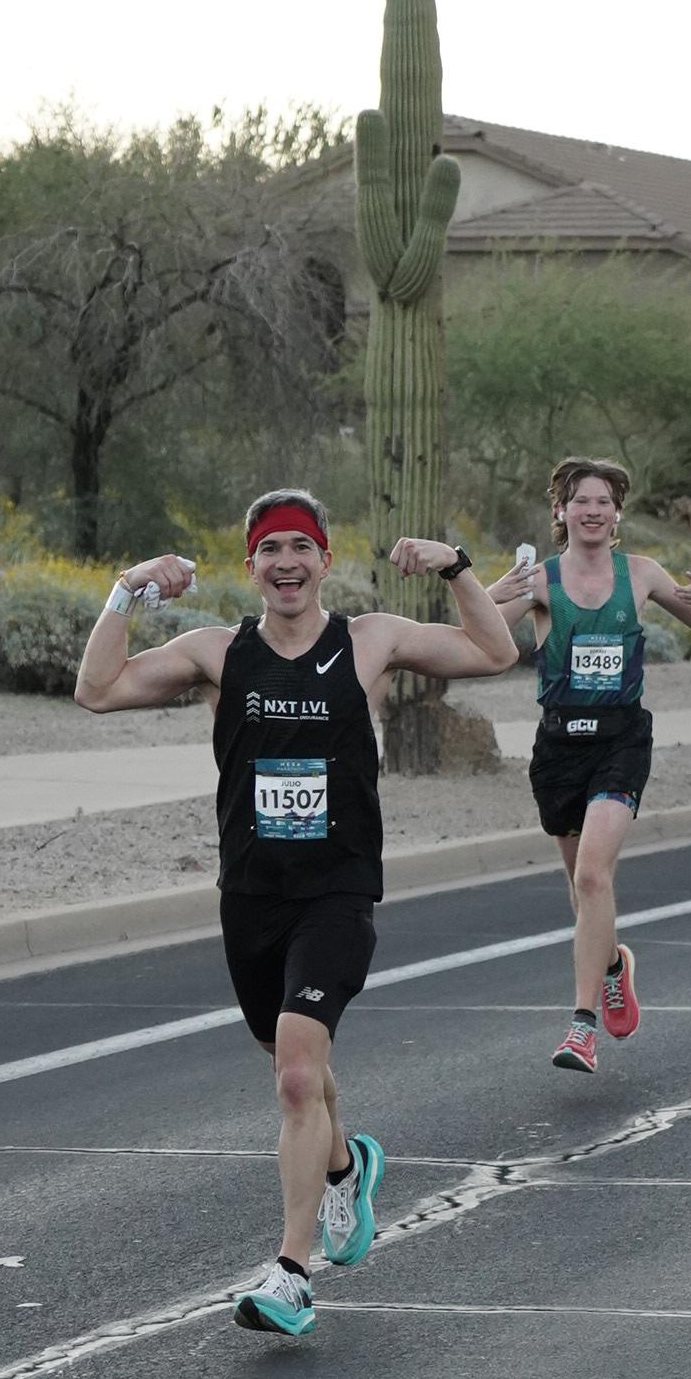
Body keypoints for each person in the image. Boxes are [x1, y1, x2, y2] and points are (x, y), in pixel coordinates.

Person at [74, 488, 516, 1336]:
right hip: (251, 895)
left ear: (324, 560)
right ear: (252, 566)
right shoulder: (217, 652)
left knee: (296, 1077)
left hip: (336, 891)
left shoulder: (370, 640)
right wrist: (126, 590)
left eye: (301, 548)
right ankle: (346, 1167)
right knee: (292, 1065)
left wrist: (457, 569)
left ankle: (291, 1271)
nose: (287, 563)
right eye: (271, 549)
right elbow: (97, 689)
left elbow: (494, 652)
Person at [491, 458, 691, 1073]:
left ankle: (581, 1026)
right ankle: (615, 964)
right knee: (582, 889)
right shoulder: (539, 579)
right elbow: (481, 637)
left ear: (617, 513)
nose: (592, 510)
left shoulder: (640, 573)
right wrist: (487, 593)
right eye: (580, 500)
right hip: (558, 747)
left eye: (603, 501)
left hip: (621, 741)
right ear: (561, 511)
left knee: (595, 876)